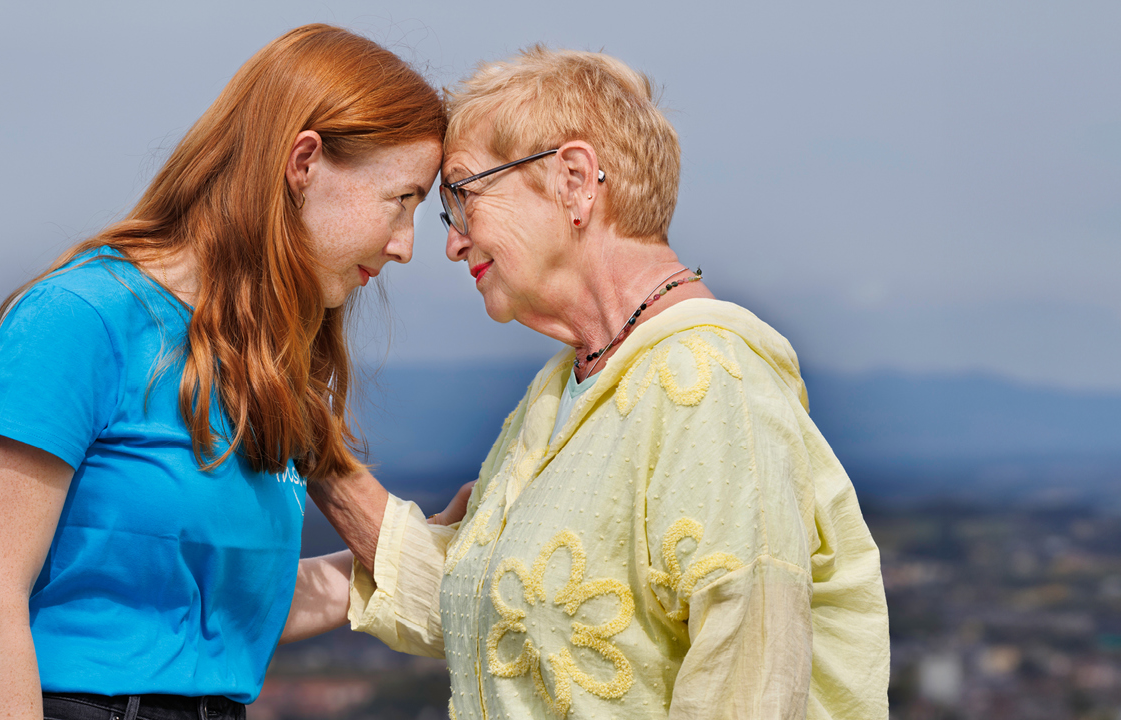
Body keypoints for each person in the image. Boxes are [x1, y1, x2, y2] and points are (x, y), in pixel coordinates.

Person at [310, 47, 891, 719]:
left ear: (575, 180)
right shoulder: (566, 392)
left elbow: (748, 691)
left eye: (463, 196)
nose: (452, 242)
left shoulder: (708, 378)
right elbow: (481, 619)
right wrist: (303, 430)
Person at [0, 24, 466, 720]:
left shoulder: (264, 356)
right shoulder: (81, 317)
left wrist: (424, 548)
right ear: (304, 161)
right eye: (400, 201)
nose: (405, 246)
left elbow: (225, 602)